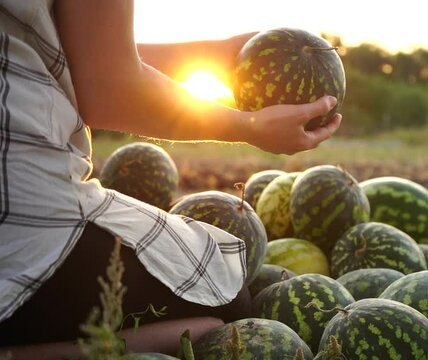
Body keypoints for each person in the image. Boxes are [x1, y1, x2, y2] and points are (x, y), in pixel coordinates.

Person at [0, 0, 341, 357]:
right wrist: (249, 127)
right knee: (228, 305)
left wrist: (219, 53)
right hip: (20, 214)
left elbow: (90, 58)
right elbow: (108, 91)